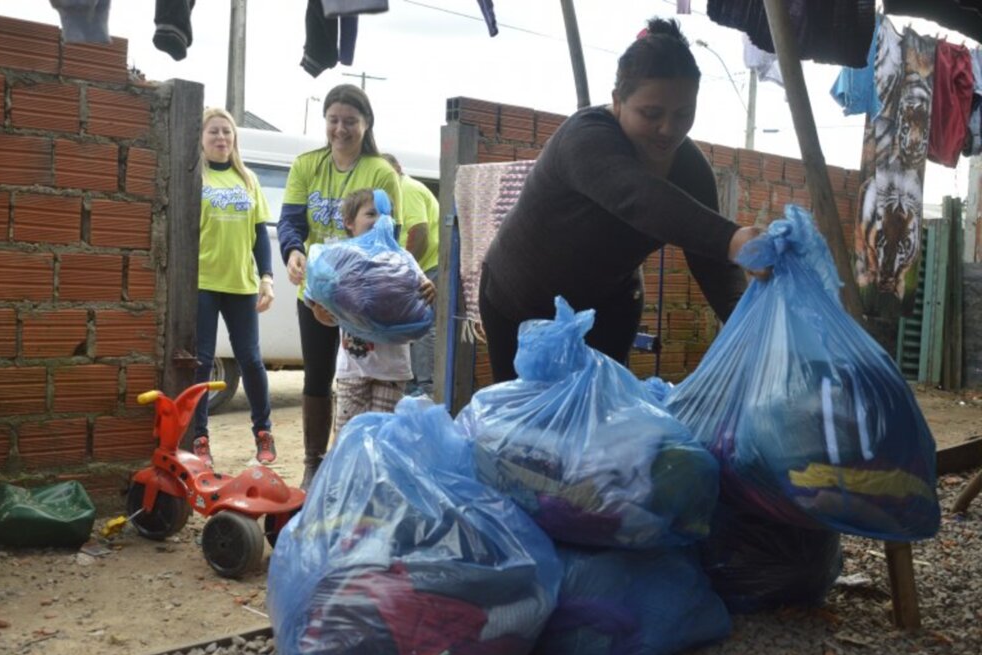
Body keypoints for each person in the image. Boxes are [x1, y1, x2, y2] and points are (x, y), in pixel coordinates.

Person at [479, 17, 763, 383]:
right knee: (524, 415)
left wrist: (752, 327)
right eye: (651, 114)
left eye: (683, 114)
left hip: (608, 310)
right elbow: (638, 197)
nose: (669, 129)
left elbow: (714, 265)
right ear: (617, 101)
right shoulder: (585, 138)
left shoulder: (691, 170)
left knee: (602, 412)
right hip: (520, 303)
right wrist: (732, 238)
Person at [277, 84, 403, 489]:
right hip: (315, 293)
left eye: (350, 121)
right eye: (333, 120)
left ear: (366, 124)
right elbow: (291, 221)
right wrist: (293, 252)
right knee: (316, 375)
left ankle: (359, 465)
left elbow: (388, 236)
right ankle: (313, 463)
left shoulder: (380, 171)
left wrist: (353, 294)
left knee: (360, 377)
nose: (340, 129)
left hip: (361, 298)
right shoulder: (306, 165)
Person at [307, 188, 436, 439]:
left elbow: (421, 297)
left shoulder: (401, 259)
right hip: (353, 369)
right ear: (349, 222)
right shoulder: (339, 258)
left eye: (386, 214)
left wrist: (430, 290)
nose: (380, 220)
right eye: (371, 214)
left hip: (392, 371)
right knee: (349, 436)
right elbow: (321, 307)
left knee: (381, 437)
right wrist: (320, 312)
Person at [193, 107, 277, 466]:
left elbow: (260, 234)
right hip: (203, 283)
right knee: (201, 363)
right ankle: (199, 438)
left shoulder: (248, 179)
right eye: (213, 131)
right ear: (201, 138)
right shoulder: (196, 176)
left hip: (241, 284)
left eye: (226, 131)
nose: (221, 137)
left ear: (234, 138)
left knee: (251, 360)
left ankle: (264, 434)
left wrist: (266, 278)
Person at [381, 153, 440, 399]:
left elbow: (420, 232)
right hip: (418, 267)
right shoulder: (394, 191)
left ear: (396, 169)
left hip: (427, 267)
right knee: (412, 324)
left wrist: (403, 269)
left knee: (425, 326)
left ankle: (426, 386)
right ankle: (413, 383)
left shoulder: (406, 188)